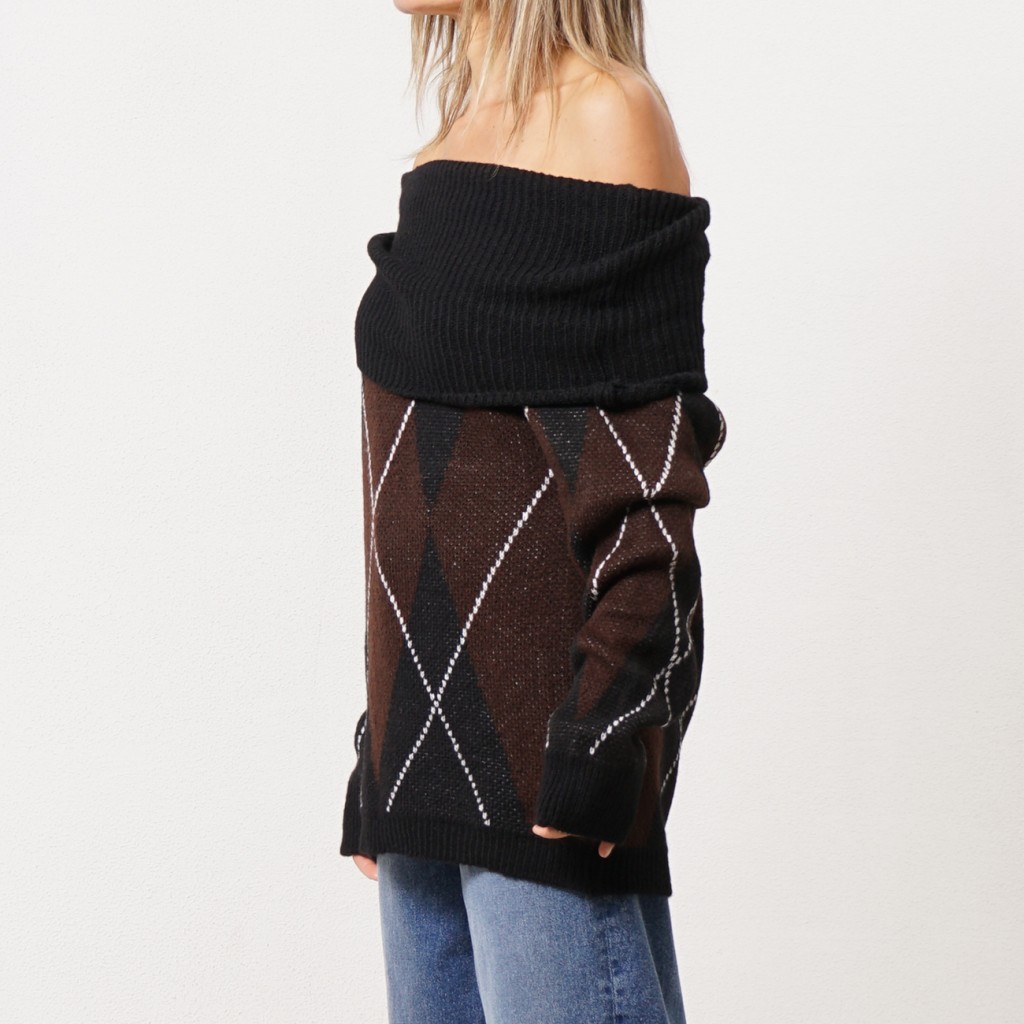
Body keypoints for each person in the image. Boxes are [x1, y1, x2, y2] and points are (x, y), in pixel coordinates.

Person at [338, 2, 727, 1021]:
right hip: (420, 782)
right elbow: (437, 483)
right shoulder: (444, 148)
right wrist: (380, 742)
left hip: (545, 782)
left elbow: (651, 498)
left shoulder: (607, 115)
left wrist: (607, 736)